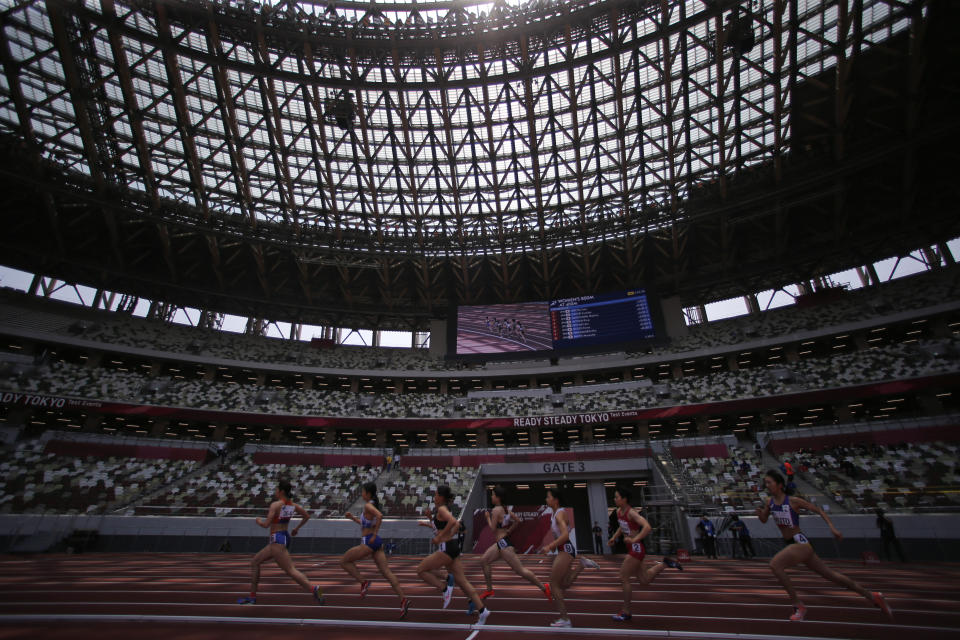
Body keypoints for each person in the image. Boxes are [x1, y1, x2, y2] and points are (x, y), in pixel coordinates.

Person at [756, 470, 894, 621]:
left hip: (800, 542)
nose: (766, 485)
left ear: (780, 485)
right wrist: (760, 513)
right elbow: (764, 519)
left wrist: (832, 528)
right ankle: (873, 596)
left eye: (769, 482)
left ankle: (798, 605)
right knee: (833, 576)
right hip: (791, 544)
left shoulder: (793, 501)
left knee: (775, 565)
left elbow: (819, 510)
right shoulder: (769, 502)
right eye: (766, 482)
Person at [237, 477, 325, 605]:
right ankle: (252, 596)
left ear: (281, 491)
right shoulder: (292, 505)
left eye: (277, 489)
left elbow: (266, 524)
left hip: (277, 538)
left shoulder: (276, 505)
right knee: (255, 561)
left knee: (290, 570)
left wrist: (258, 521)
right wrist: (296, 529)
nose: (275, 491)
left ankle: (315, 589)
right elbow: (306, 516)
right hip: (283, 537)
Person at [415, 486, 491, 624]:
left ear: (442, 497)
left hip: (446, 549)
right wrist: (430, 521)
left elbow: (454, 523)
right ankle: (482, 610)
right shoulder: (443, 510)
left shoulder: (442, 509)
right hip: (452, 547)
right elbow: (442, 527)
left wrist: (441, 537)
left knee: (420, 569)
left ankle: (444, 588)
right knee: (462, 581)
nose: (434, 496)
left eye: (437, 494)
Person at [608, 487, 683, 622]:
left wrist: (634, 539)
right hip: (632, 547)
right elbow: (621, 526)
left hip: (636, 548)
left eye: (617, 497)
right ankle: (664, 564)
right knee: (645, 580)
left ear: (624, 499)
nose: (614, 499)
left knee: (623, 577)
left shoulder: (632, 512)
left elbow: (647, 527)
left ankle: (626, 612)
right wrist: (614, 537)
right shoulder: (619, 512)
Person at [340, 482, 410, 618]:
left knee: (344, 561)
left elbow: (380, 516)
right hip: (376, 543)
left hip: (369, 541)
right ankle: (403, 599)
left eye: (363, 491)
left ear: (368, 493)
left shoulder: (368, 505)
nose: (361, 494)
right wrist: (353, 518)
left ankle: (363, 582)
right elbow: (365, 524)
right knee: (387, 572)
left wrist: (375, 534)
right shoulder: (371, 505)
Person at [476, 486, 551, 608]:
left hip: (504, 544)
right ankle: (489, 589)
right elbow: (518, 521)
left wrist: (488, 518)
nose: (491, 497)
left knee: (520, 570)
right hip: (500, 544)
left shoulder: (496, 510)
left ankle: (544, 587)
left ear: (498, 497)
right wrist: (509, 531)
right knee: (484, 560)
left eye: (493, 495)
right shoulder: (506, 509)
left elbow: (493, 529)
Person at [542, 488, 583, 628]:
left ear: (555, 500)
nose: (546, 499)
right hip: (565, 549)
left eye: (548, 497)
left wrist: (550, 546)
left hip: (565, 549)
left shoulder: (559, 514)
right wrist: (555, 545)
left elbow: (565, 535)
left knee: (553, 584)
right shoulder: (555, 514)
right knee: (564, 584)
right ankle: (581, 566)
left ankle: (565, 619)